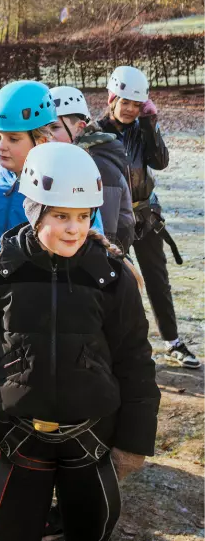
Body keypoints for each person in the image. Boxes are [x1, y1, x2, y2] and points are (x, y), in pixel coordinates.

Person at [0, 142, 161, 541]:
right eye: (61, 216)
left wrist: (134, 441)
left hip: (92, 438)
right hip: (20, 435)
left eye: (83, 216)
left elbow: (135, 361)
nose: (74, 228)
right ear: (34, 211)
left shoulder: (110, 276)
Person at [98, 66, 199, 369]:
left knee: (157, 279)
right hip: (115, 217)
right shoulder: (96, 133)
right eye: (124, 102)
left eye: (136, 104)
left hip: (146, 213)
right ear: (112, 99)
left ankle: (172, 341)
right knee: (115, 281)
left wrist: (150, 123)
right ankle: (115, 346)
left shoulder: (142, 128)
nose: (129, 109)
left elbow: (160, 161)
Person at [0, 80, 104, 255]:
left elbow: (90, 242)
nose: (1, 146)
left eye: (13, 139)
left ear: (42, 140)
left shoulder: (64, 182)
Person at [49, 85, 135, 253]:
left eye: (55, 128)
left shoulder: (98, 167)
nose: (47, 135)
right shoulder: (68, 159)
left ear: (80, 127)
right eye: (44, 128)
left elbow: (107, 233)